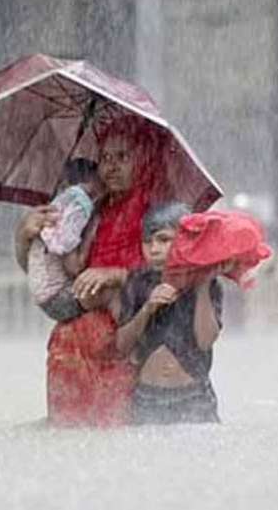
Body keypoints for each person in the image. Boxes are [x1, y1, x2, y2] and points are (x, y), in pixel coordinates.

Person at [15, 114, 170, 427]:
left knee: (114, 445)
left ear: (143, 159)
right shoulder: (88, 210)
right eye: (105, 158)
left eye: (122, 157)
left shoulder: (159, 213)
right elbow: (50, 276)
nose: (110, 166)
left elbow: (171, 277)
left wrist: (116, 274)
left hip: (124, 350)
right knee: (70, 448)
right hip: (70, 350)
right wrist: (25, 236)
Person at [115, 202, 226, 425]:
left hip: (193, 396)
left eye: (164, 240)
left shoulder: (207, 282)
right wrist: (147, 308)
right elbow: (122, 346)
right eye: (147, 242)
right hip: (148, 397)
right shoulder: (136, 282)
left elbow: (205, 341)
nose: (154, 249)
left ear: (184, 241)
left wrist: (202, 286)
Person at [26, 158, 106, 322]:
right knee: (114, 294)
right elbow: (74, 267)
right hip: (58, 298)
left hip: (46, 296)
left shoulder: (58, 206)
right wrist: (91, 233)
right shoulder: (74, 211)